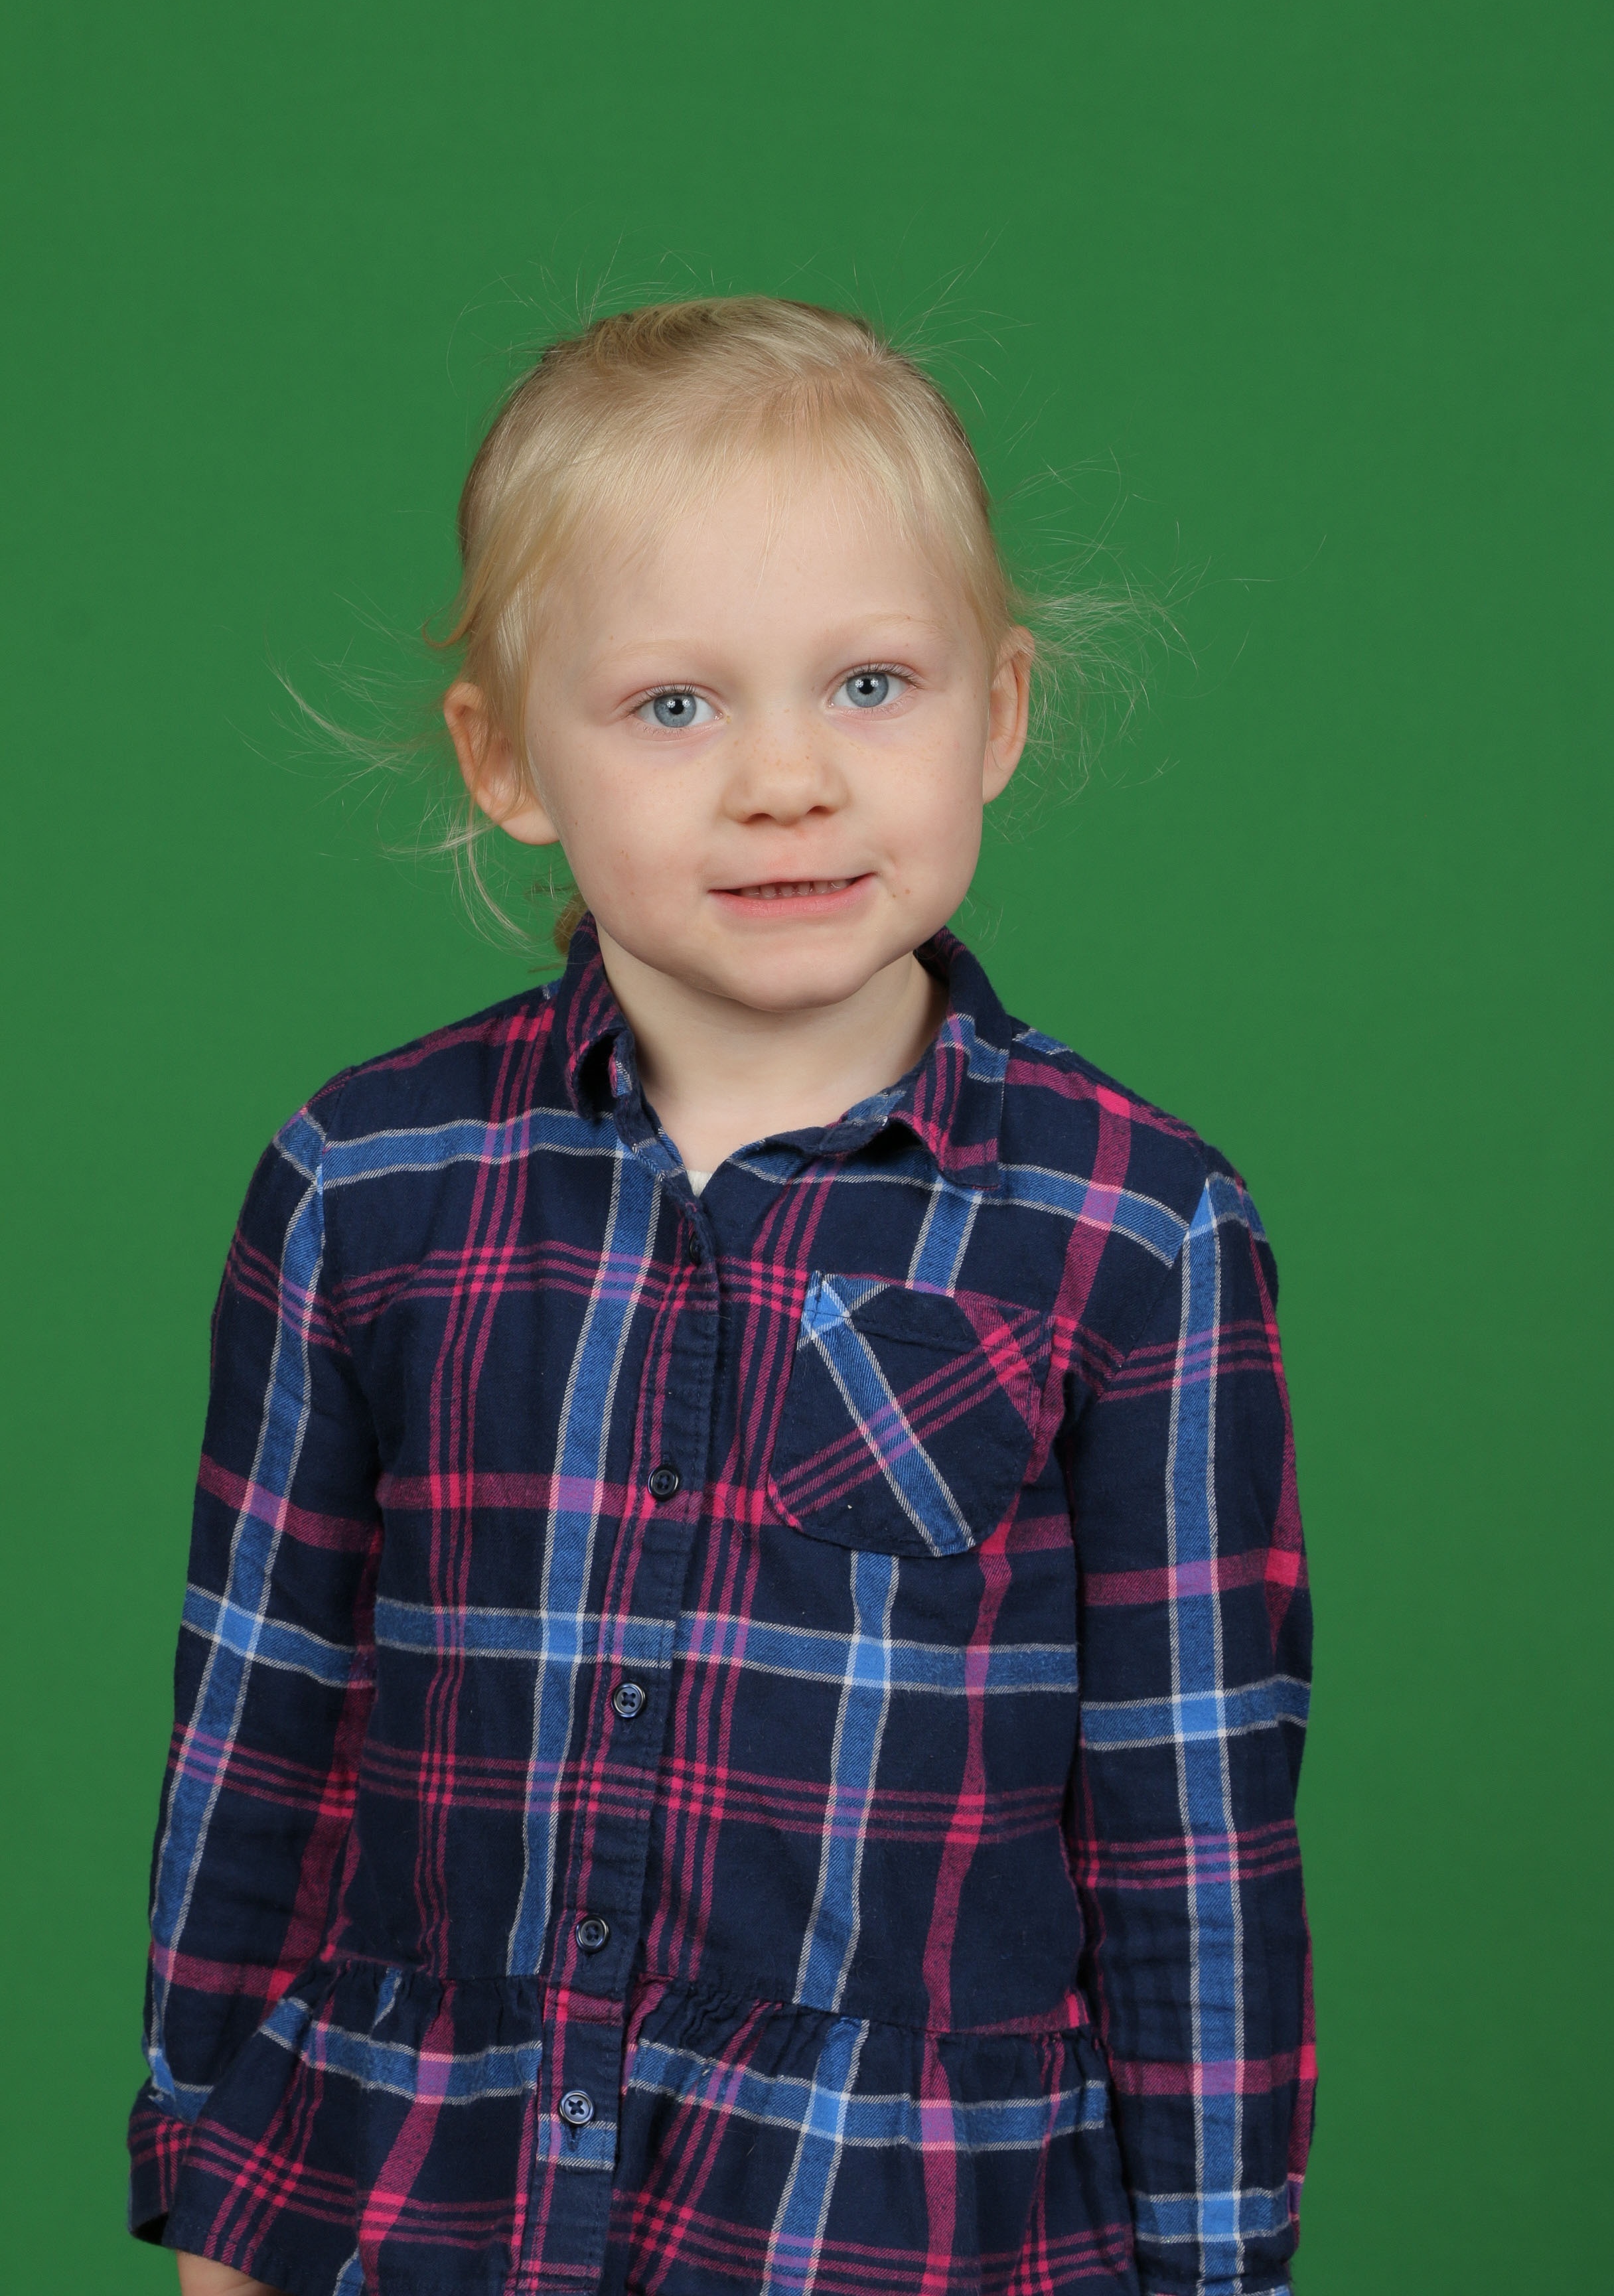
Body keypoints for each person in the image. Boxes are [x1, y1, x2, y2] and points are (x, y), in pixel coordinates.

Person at [129, 297, 1314, 2296]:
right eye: (674, 704)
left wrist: (1216, 2264)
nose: (785, 778)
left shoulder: (1138, 1229)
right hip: (421, 2213)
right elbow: (262, 1724)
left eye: (871, 684)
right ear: (506, 759)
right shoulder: (365, 1182)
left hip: (898, 2231)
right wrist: (211, 2180)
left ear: (1000, 714)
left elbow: (1193, 1827)